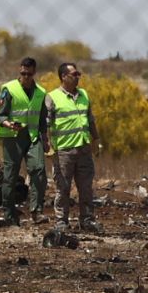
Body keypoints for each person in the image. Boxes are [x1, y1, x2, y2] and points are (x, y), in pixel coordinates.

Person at [43, 62, 102, 232]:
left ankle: (87, 221)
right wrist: (48, 145)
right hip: (64, 152)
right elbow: (45, 124)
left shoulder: (83, 94)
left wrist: (96, 139)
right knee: (63, 188)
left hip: (84, 149)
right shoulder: (52, 97)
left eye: (78, 74)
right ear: (63, 77)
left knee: (86, 188)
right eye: (74, 74)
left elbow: (90, 119)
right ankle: (62, 222)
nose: (78, 77)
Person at [0, 57, 48, 223]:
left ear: (34, 72)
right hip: (13, 137)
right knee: (11, 175)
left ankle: (36, 211)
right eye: (23, 73)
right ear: (19, 71)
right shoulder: (9, 89)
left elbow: (42, 118)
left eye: (29, 74)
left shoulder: (40, 92)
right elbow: (0, 115)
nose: (26, 77)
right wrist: (8, 123)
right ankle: (9, 213)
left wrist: (45, 138)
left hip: (33, 136)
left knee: (39, 171)